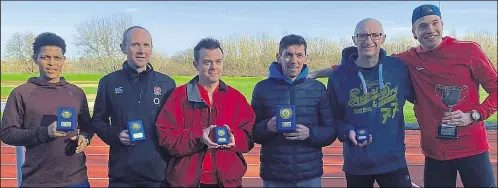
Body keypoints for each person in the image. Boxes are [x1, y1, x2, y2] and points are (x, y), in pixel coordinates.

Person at [309, 4, 497, 187]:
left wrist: (474, 115)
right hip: (435, 152)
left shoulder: (469, 50)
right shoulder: (407, 59)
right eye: (422, 26)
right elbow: (362, 62)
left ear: (442, 24)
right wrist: (316, 73)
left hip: (472, 148)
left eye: (434, 23)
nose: (430, 29)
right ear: (414, 32)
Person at [155, 38, 255, 188]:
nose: (214, 67)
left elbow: (249, 135)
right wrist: (199, 137)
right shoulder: (179, 96)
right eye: (207, 62)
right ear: (196, 64)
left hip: (228, 182)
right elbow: (165, 136)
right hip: (187, 182)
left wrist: (234, 137)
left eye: (218, 61)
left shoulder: (236, 98)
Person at [328, 18, 415, 187]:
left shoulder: (398, 69)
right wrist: (347, 131)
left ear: (383, 38)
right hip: (356, 164)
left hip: (393, 162)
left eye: (375, 35)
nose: (369, 40)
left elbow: (420, 98)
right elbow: (333, 117)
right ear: (354, 40)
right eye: (362, 35)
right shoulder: (338, 77)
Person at [0, 32, 93, 187]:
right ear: (35, 59)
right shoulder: (21, 93)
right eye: (45, 57)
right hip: (38, 180)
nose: (52, 63)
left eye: (57, 58)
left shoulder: (76, 93)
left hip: (76, 179)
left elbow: (87, 127)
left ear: (64, 60)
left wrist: (85, 138)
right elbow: (7, 133)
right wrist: (45, 133)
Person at [91, 26, 176, 187]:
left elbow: (174, 125)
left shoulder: (167, 83)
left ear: (151, 49)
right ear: (123, 47)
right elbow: (97, 121)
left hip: (158, 175)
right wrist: (116, 135)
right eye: (135, 44)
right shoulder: (108, 82)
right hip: (122, 175)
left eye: (146, 45)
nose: (141, 50)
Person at [251, 34, 337, 187]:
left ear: (306, 58)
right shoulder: (262, 88)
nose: (294, 61)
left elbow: (330, 130)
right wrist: (267, 127)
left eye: (299, 55)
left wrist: (310, 133)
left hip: (310, 175)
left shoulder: (318, 89)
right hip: (274, 175)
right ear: (279, 57)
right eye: (288, 55)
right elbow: (252, 132)